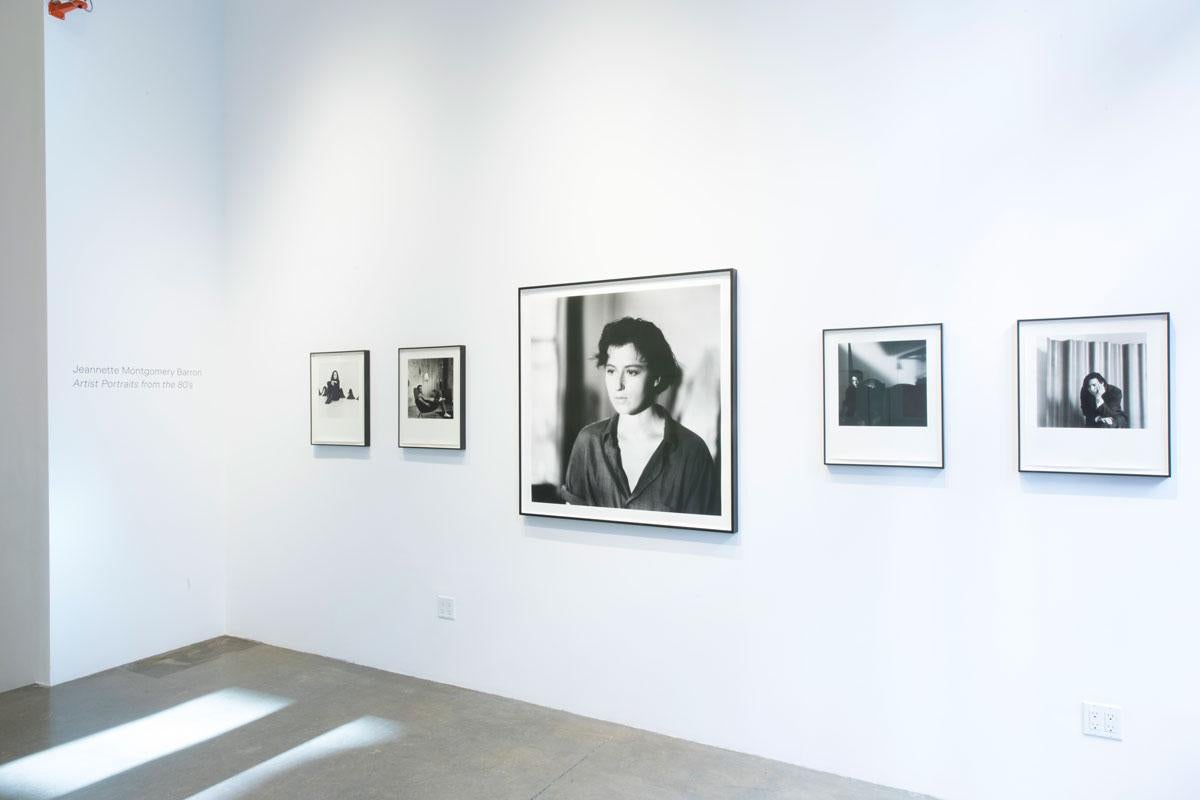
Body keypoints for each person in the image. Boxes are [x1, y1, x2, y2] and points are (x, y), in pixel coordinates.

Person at [561, 317, 718, 515]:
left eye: (632, 372)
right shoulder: (588, 443)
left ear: (656, 377)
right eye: (611, 371)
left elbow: (701, 541)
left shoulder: (692, 452)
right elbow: (571, 529)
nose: (618, 384)